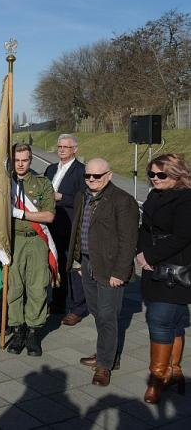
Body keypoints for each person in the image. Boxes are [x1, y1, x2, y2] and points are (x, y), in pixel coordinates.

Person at [65, 158, 138, 387]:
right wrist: (77, 261)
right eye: (88, 176)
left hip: (110, 268)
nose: (92, 180)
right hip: (87, 263)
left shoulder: (123, 200)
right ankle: (105, 352)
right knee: (97, 312)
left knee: (107, 315)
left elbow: (128, 241)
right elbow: (77, 229)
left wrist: (120, 272)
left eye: (97, 176)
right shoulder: (82, 196)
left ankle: (105, 365)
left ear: (109, 175)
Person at [136, 153, 191, 404]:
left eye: (161, 174)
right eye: (151, 174)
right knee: (174, 321)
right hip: (153, 269)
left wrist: (150, 255)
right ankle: (173, 370)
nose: (155, 179)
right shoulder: (155, 195)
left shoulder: (186, 199)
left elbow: (182, 236)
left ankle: (157, 377)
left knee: (159, 320)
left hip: (175, 271)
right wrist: (140, 252)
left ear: (177, 175)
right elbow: (145, 229)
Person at [7, 143, 56, 357]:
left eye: (24, 160)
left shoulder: (42, 183)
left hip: (36, 239)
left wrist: (19, 213)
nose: (20, 164)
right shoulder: (5, 184)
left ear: (31, 160)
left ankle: (34, 332)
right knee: (15, 287)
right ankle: (18, 329)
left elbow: (49, 216)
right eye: (17, 160)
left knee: (37, 287)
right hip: (13, 240)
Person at [45, 134, 87, 321]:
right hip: (51, 224)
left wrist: (62, 197)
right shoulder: (51, 169)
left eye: (66, 147)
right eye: (59, 146)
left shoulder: (81, 171)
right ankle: (59, 302)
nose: (61, 149)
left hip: (70, 226)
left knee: (73, 267)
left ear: (75, 150)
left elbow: (83, 199)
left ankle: (78, 307)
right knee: (57, 264)